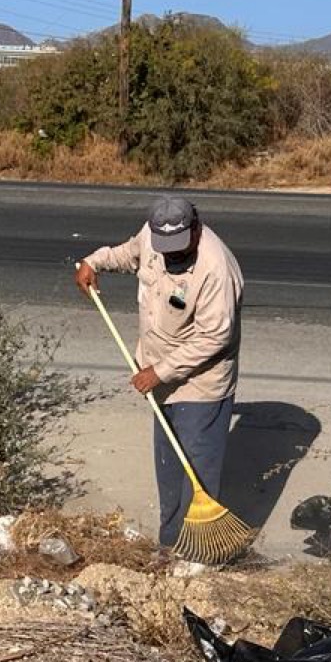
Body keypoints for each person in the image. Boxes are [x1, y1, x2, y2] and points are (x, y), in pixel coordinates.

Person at [75, 195, 244, 551]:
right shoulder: (154, 238)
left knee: (196, 471)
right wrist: (94, 261)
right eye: (166, 247)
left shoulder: (216, 267)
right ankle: (169, 547)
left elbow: (215, 336)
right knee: (169, 469)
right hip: (159, 378)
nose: (172, 255)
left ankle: (199, 556)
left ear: (196, 228)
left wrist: (160, 372)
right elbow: (128, 253)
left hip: (200, 385)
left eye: (180, 246)